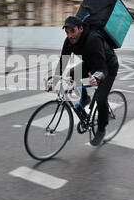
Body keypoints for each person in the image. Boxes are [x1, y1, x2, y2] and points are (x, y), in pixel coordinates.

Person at [47, 16, 119, 146]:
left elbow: (102, 68)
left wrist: (96, 78)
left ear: (80, 29)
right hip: (90, 64)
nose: (70, 35)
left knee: (101, 98)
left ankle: (102, 129)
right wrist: (55, 81)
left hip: (107, 67)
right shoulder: (69, 41)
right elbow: (63, 61)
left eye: (72, 31)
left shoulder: (93, 39)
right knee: (73, 74)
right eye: (67, 32)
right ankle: (85, 99)